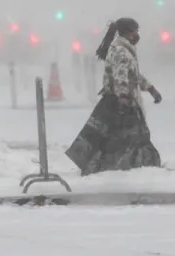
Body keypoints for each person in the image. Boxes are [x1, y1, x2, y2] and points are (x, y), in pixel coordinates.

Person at [65, 17, 163, 174]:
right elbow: (121, 75)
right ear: (128, 32)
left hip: (120, 100)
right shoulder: (120, 51)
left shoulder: (125, 50)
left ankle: (118, 164)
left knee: (113, 137)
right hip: (118, 102)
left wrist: (150, 89)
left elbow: (134, 75)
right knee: (128, 136)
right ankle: (135, 165)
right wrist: (123, 97)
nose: (137, 35)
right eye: (136, 32)